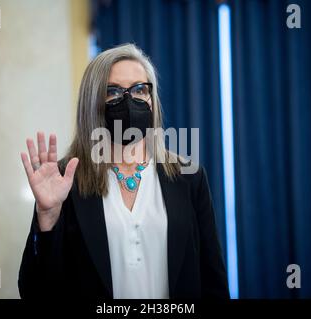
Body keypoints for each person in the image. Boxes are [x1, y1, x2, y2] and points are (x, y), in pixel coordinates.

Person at [18, 43, 229, 299]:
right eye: (114, 92)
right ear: (92, 103)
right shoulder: (65, 178)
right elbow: (36, 292)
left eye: (140, 90)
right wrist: (48, 217)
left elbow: (213, 280)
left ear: (152, 99)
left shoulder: (188, 176)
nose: (130, 100)